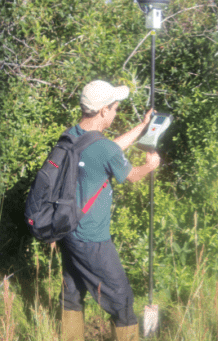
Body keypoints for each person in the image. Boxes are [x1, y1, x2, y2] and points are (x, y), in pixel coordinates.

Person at [60, 80, 160, 341]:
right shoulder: (102, 148)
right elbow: (132, 176)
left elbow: (108, 150)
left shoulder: (72, 135)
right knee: (122, 300)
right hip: (92, 239)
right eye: (115, 108)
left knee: (72, 293)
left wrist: (141, 127)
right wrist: (150, 166)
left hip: (67, 232)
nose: (116, 113)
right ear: (103, 111)